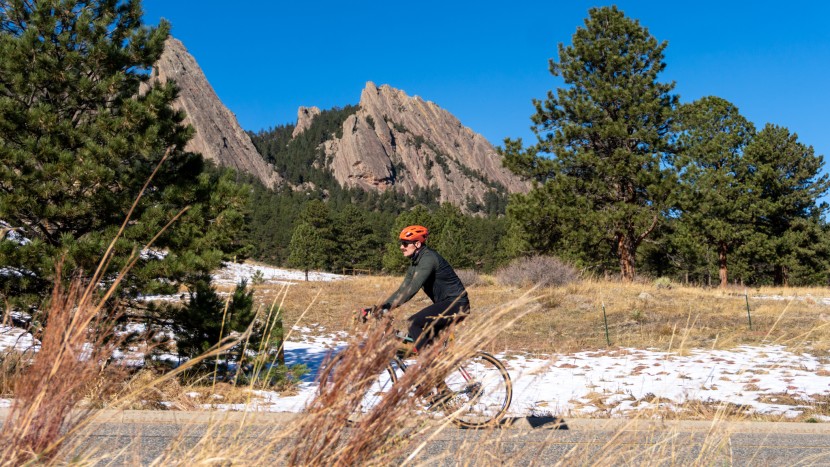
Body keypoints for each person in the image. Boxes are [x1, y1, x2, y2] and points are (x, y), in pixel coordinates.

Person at [371, 225, 470, 355]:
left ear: (417, 244)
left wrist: (387, 308)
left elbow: (412, 288)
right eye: (401, 243)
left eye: (405, 244)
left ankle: (427, 365)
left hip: (456, 305)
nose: (401, 247)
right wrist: (383, 307)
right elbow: (403, 289)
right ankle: (432, 369)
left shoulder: (428, 259)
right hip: (447, 305)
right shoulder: (416, 262)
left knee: (413, 323)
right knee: (426, 344)